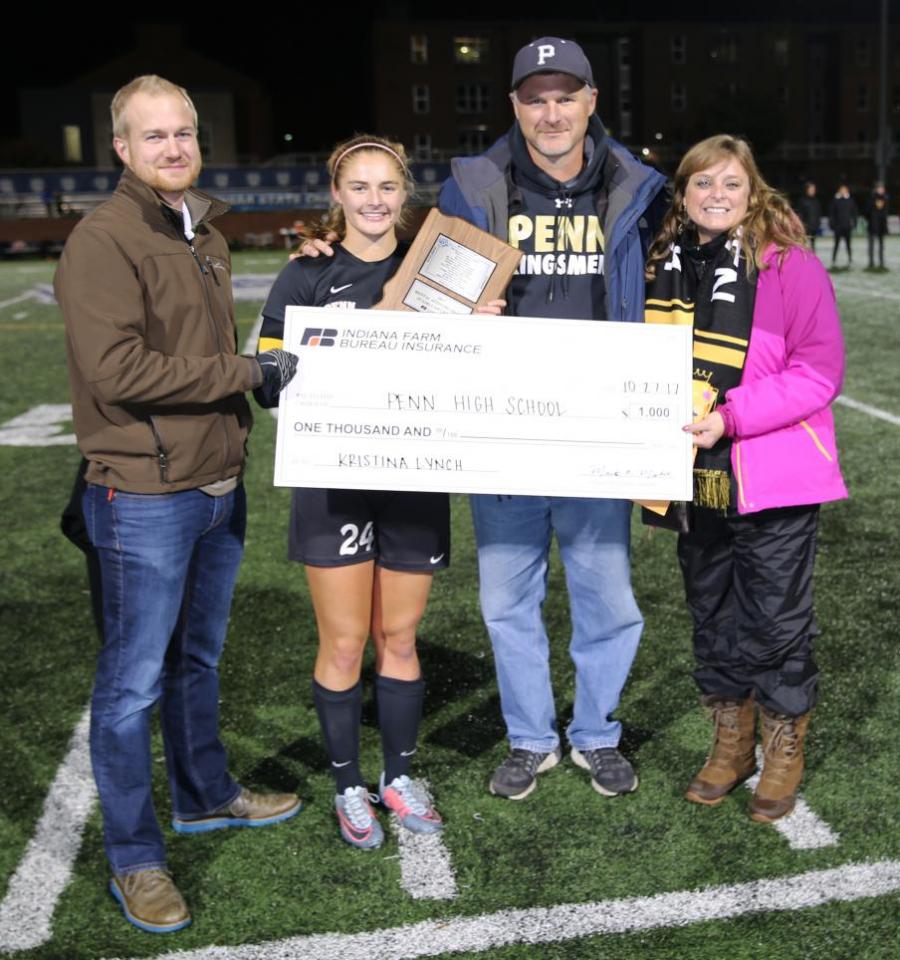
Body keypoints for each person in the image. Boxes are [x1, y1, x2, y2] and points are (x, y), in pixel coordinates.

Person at [55, 75, 300, 934]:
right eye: (152, 136)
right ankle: (135, 858)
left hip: (213, 487)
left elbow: (208, 350)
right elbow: (118, 372)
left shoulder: (203, 231)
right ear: (120, 148)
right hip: (144, 494)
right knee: (129, 689)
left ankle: (204, 794)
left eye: (184, 133)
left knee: (195, 662)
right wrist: (244, 375)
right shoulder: (104, 238)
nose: (172, 148)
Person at [257, 134, 504, 848]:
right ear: (337, 196)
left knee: (398, 636)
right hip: (334, 482)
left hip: (412, 477)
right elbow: (271, 381)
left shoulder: (440, 270)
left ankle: (397, 776)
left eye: (387, 187)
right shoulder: (305, 275)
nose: (374, 200)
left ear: (405, 192)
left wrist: (481, 335)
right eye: (359, 188)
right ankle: (346, 786)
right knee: (343, 642)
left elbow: (474, 375)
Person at [437, 38, 667, 801]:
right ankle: (532, 737)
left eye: (565, 97)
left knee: (607, 595)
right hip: (503, 430)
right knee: (507, 599)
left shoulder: (637, 186)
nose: (551, 113)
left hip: (599, 430)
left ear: (591, 102)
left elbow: (697, 255)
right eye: (535, 99)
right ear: (514, 108)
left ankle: (597, 733)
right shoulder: (472, 187)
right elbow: (426, 287)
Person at [644, 134, 847, 822]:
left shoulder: (788, 266)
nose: (717, 196)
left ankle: (783, 746)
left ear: (752, 188)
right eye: (703, 185)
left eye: (730, 183)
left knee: (777, 623)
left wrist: (730, 419)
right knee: (713, 616)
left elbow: (818, 372)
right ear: (684, 194)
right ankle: (731, 741)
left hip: (772, 474)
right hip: (693, 479)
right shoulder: (663, 265)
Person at [828, 183, 858, 268]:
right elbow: (832, 213)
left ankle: (850, 259)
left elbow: (854, 213)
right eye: (841, 189)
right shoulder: (835, 200)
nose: (843, 191)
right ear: (839, 190)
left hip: (847, 227)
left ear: (847, 191)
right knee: (836, 244)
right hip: (838, 227)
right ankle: (833, 260)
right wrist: (832, 224)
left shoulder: (851, 200)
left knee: (848, 245)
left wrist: (854, 223)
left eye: (844, 189)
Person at [865, 181, 890, 270]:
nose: (881, 190)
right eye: (879, 188)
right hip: (872, 225)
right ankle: (871, 263)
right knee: (871, 245)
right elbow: (867, 211)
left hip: (881, 225)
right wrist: (872, 219)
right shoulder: (871, 198)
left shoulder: (886, 198)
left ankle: (881, 263)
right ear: (876, 189)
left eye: (882, 188)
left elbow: (886, 212)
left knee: (881, 245)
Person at [796, 181, 821, 251]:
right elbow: (799, 214)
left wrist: (818, 223)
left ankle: (812, 257)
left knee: (813, 244)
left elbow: (818, 213)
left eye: (814, 190)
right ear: (806, 190)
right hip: (805, 226)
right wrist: (801, 225)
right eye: (811, 189)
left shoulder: (816, 201)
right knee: (803, 244)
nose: (813, 191)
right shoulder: (802, 200)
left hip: (814, 226)